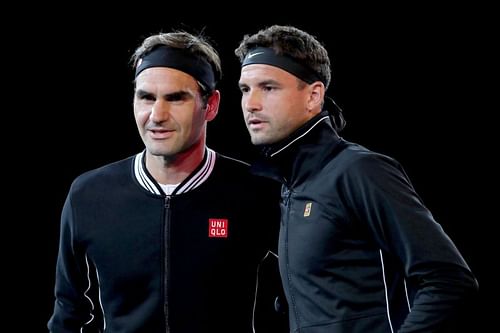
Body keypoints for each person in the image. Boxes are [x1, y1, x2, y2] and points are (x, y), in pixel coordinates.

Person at [235, 25, 479, 333]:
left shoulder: (359, 171)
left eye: (268, 88)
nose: (251, 104)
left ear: (313, 96)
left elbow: (448, 280)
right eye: (245, 89)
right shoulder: (289, 185)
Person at [48, 31, 288, 333]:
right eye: (146, 97)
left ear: (210, 105)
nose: (157, 115)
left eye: (176, 98)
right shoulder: (89, 194)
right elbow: (68, 313)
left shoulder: (257, 190)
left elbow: (303, 296)